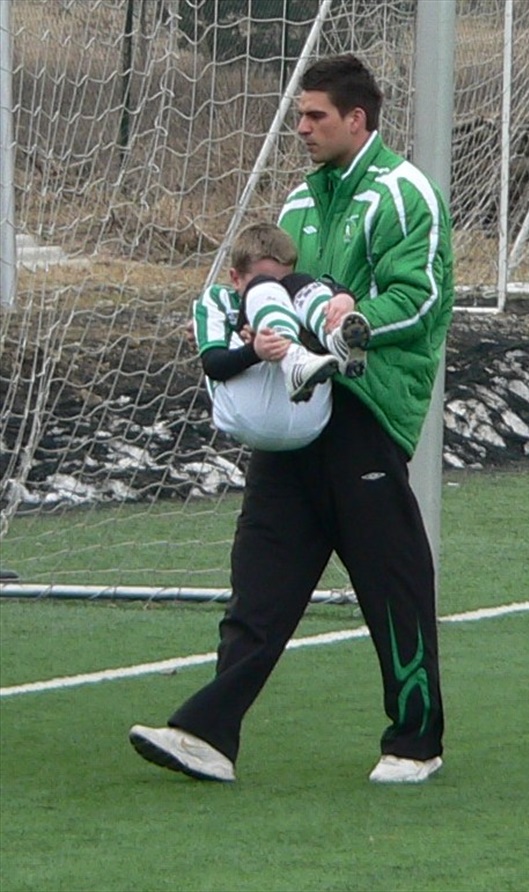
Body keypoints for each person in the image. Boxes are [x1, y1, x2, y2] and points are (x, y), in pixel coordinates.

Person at [129, 53, 454, 785]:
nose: (300, 128)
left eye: (314, 117)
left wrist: (353, 324)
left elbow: (425, 296)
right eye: (300, 115)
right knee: (262, 573)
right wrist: (250, 338)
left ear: (356, 119)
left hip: (364, 412)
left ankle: (416, 741)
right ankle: (207, 734)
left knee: (390, 579)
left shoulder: (405, 194)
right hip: (297, 410)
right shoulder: (301, 204)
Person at [193, 221, 370, 451]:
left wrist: (344, 297)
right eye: (263, 279)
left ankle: (336, 342)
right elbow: (213, 365)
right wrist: (256, 351)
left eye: (281, 281)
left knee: (299, 286)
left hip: (310, 417)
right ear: (235, 279)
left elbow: (328, 287)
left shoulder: (291, 290)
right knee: (266, 291)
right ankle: (294, 355)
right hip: (248, 411)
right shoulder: (219, 299)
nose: (278, 292)